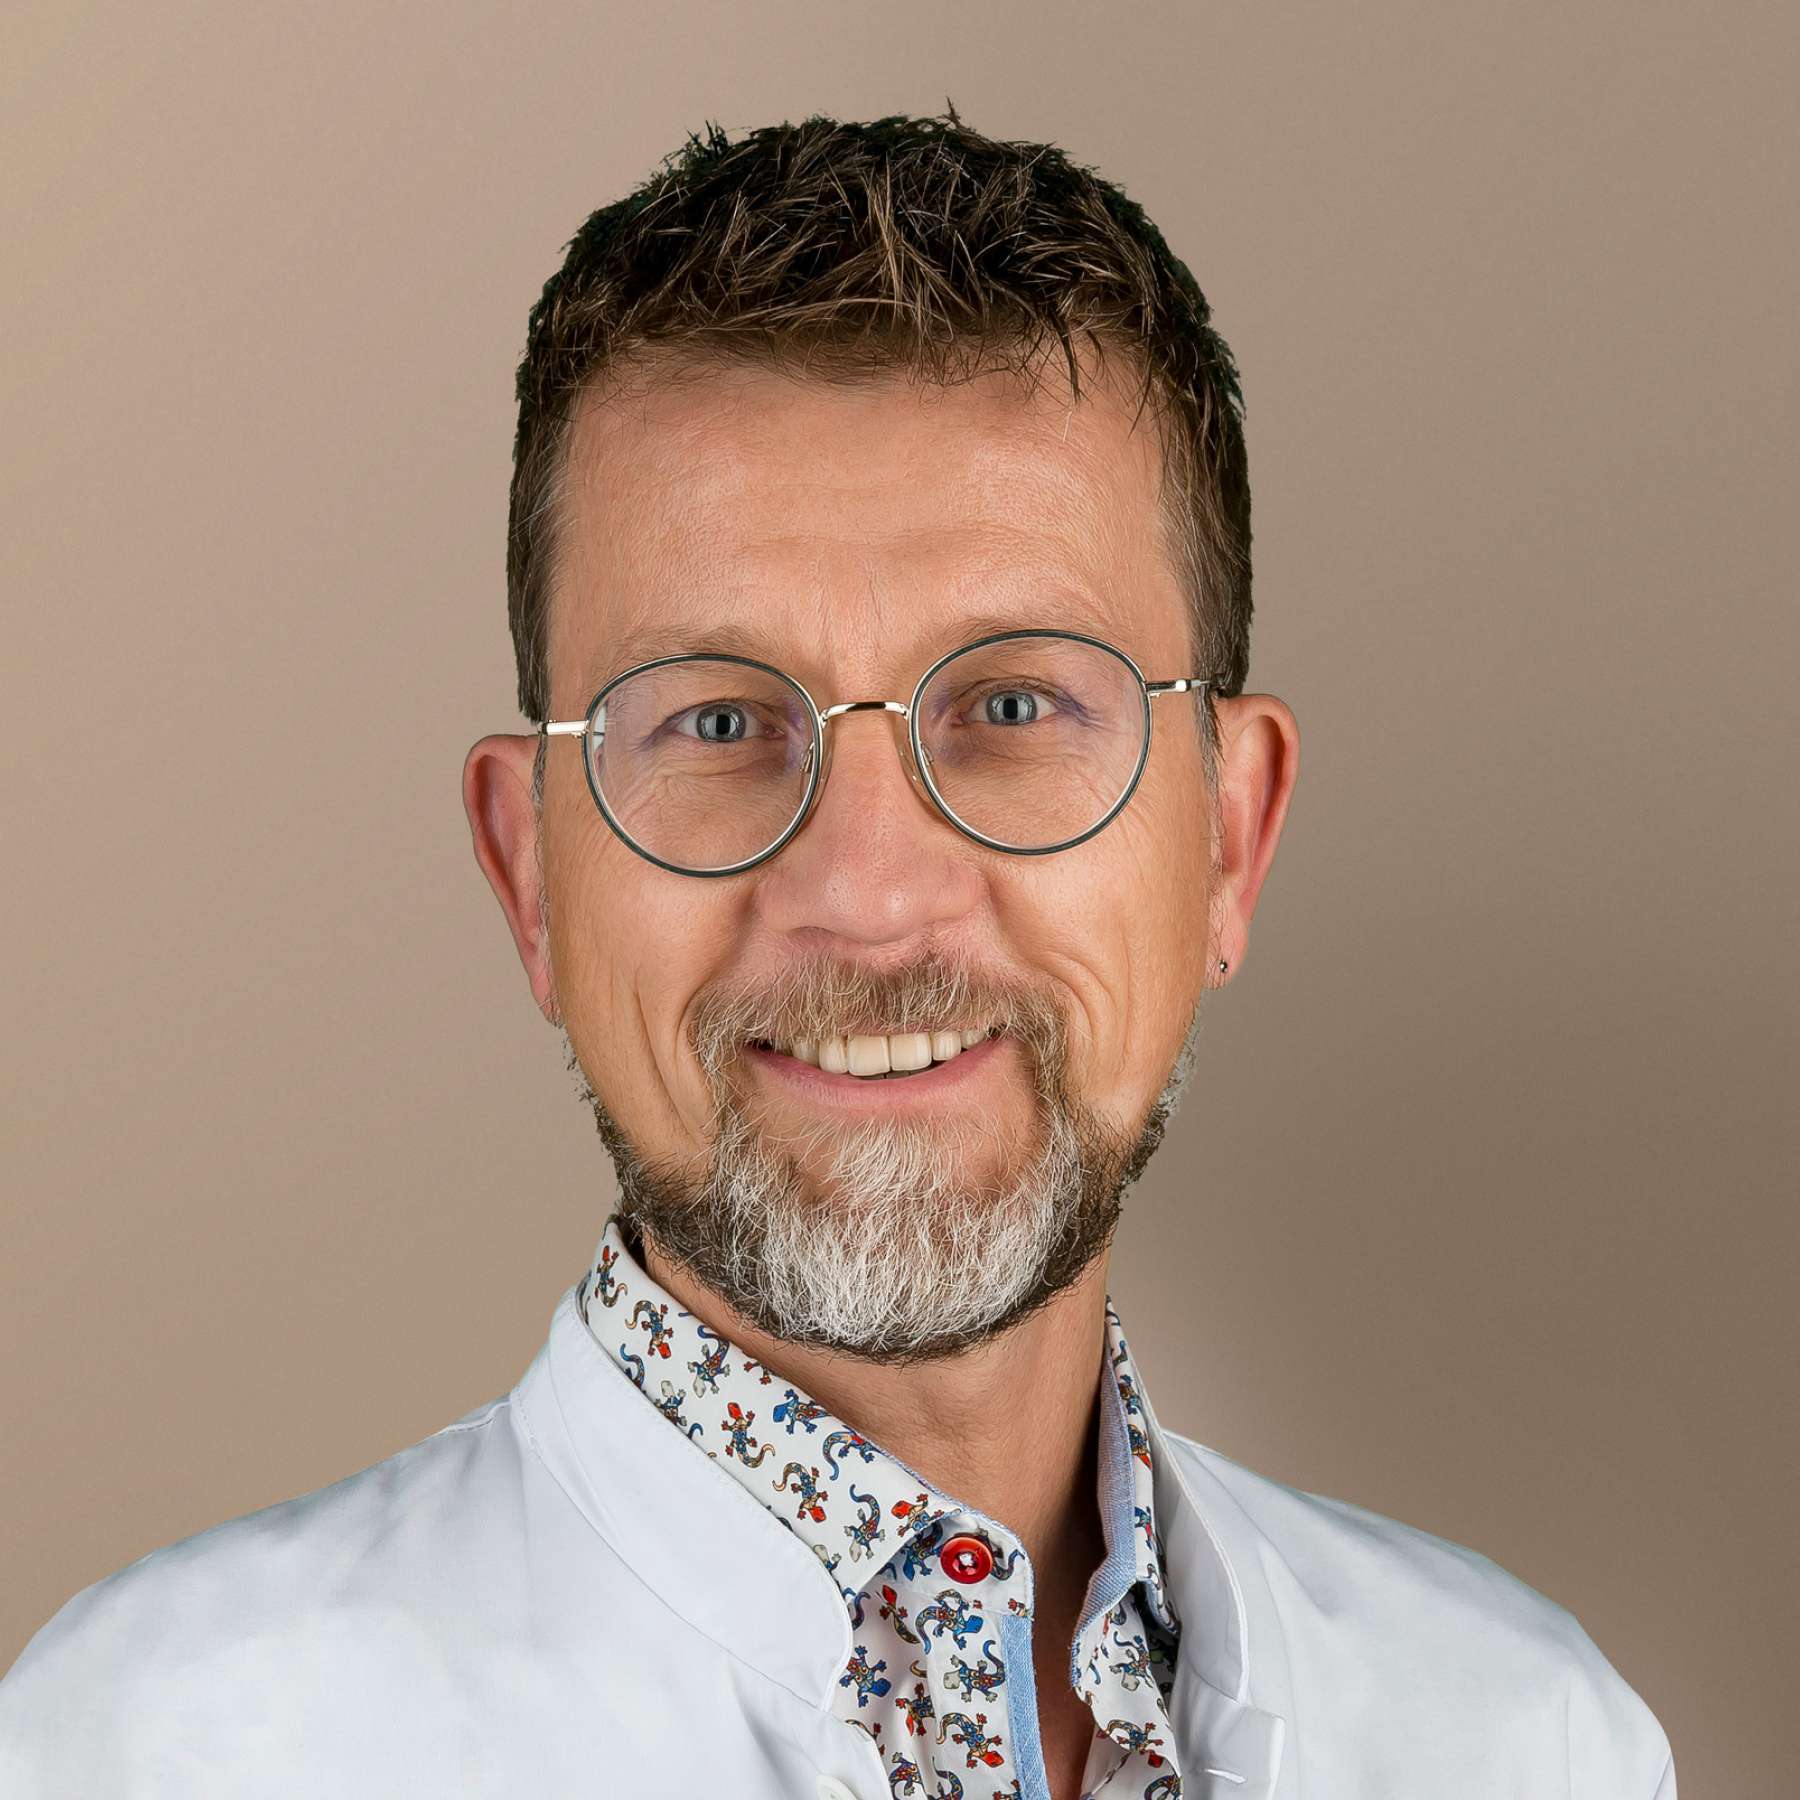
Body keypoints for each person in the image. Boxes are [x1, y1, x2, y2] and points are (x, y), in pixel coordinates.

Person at [0, 110, 1675, 1800]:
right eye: (720, 722)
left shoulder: (1527, 1743)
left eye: (1014, 706)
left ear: (1228, 838)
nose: (870, 897)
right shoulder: (161, 1753)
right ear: (531, 874)